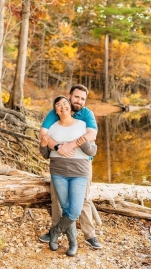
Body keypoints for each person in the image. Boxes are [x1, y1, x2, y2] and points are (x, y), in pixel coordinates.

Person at [39, 85, 102, 250]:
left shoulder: (86, 114)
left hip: (82, 165)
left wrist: (70, 146)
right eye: (76, 97)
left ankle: (90, 235)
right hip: (59, 167)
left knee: (83, 201)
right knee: (57, 200)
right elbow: (43, 133)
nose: (79, 101)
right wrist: (59, 147)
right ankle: (58, 232)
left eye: (82, 98)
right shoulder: (56, 111)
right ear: (69, 96)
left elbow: (92, 135)